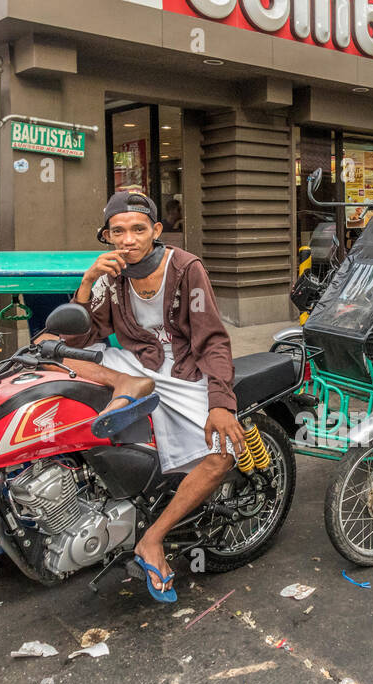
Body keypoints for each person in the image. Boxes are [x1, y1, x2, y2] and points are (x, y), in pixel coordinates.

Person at [38, 190, 246, 603]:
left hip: (182, 368)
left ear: (156, 230)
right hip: (131, 363)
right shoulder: (110, 276)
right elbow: (80, 337)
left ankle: (153, 538)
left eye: (137, 230)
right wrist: (87, 282)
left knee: (222, 453)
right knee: (46, 348)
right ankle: (124, 390)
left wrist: (221, 402)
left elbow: (213, 341)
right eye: (118, 231)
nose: (127, 239)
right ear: (108, 235)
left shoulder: (186, 269)